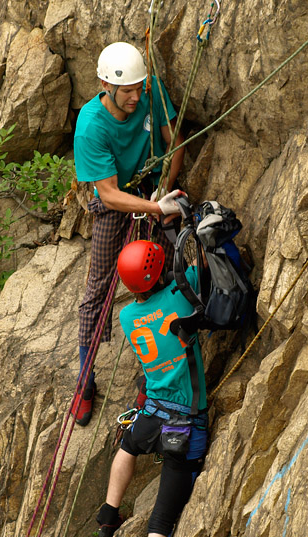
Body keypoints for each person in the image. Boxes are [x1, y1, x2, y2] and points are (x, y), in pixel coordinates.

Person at [95, 240, 208, 537]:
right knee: (161, 523)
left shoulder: (127, 316)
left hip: (152, 412)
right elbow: (202, 263)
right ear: (160, 274)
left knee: (128, 446)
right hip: (185, 425)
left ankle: (109, 514)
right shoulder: (181, 294)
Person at [72, 41, 185, 426]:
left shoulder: (150, 91)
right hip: (115, 201)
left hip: (151, 189)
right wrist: (155, 207)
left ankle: (152, 375)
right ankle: (85, 381)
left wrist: (162, 188)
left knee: (162, 277)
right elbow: (108, 194)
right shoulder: (90, 126)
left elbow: (176, 142)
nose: (137, 97)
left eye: (140, 88)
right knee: (99, 288)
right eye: (128, 91)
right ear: (106, 85)